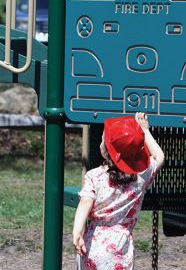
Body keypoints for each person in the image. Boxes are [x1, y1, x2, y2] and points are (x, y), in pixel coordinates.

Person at [73, 112, 164, 270]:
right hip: (120, 245)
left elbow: (85, 202)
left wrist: (77, 231)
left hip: (93, 242)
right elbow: (159, 156)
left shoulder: (94, 176)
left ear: (106, 151)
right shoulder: (141, 176)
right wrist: (145, 130)